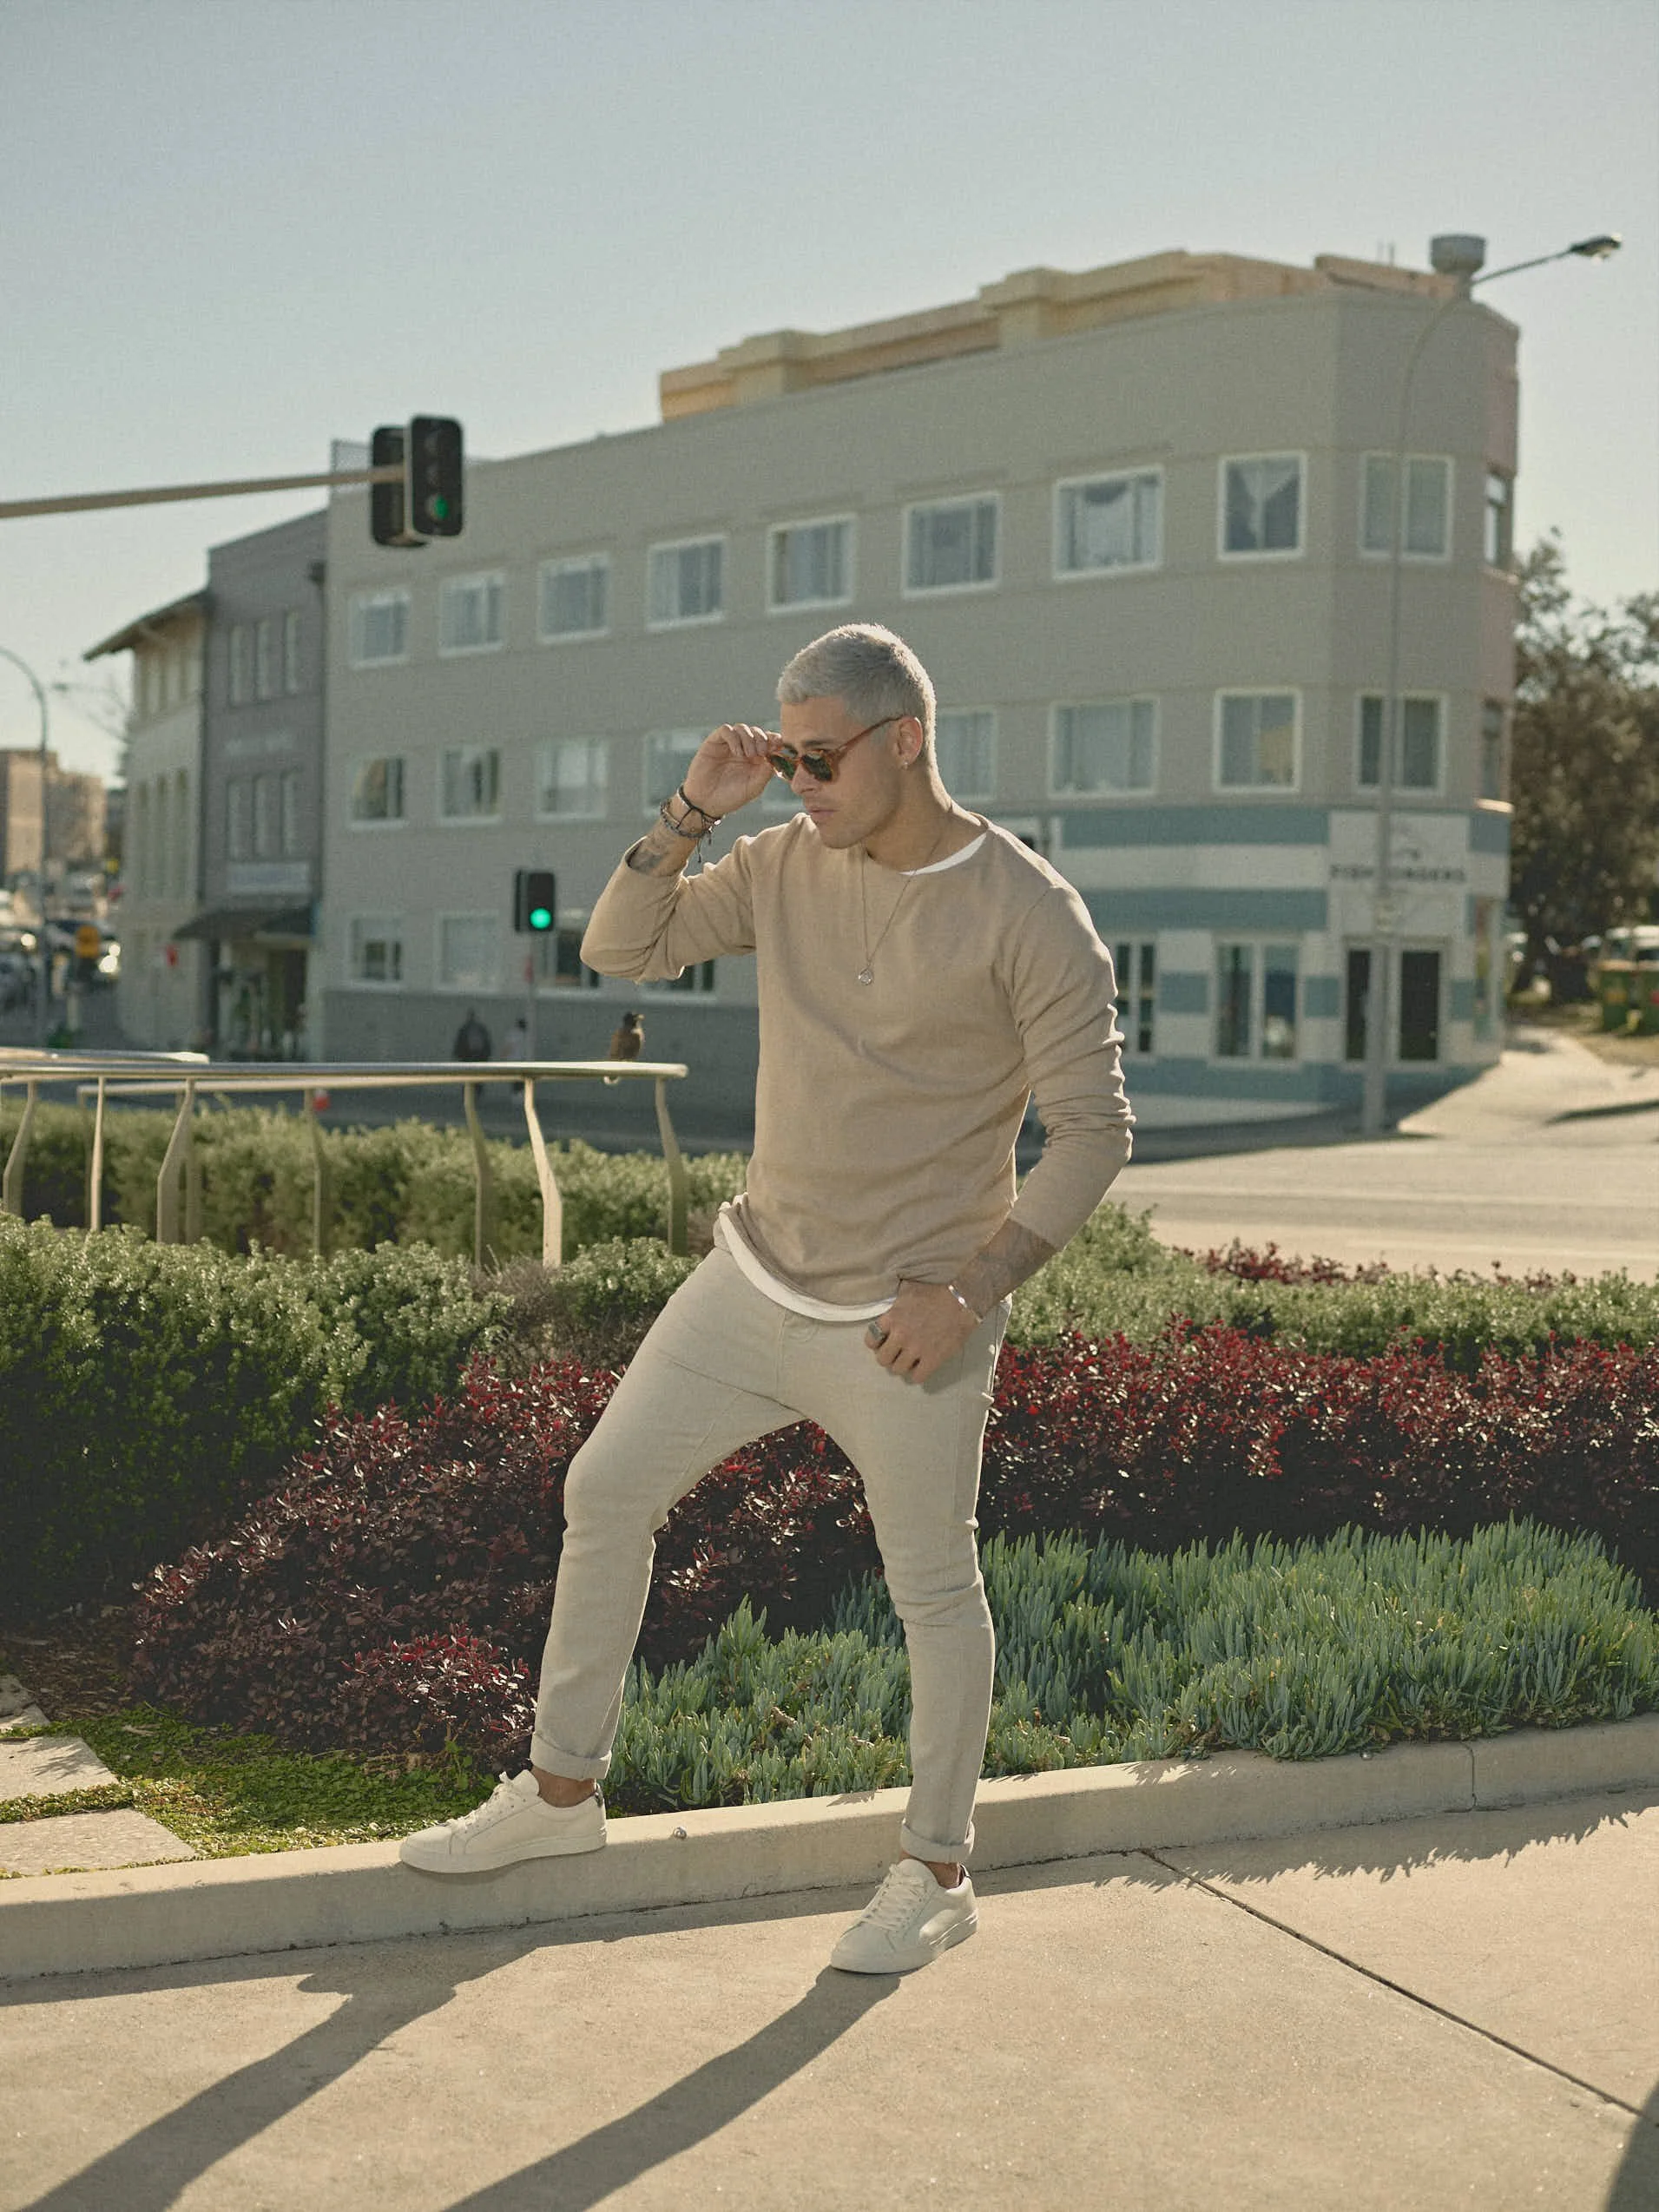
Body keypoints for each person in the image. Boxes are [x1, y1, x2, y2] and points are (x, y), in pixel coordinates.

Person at [402, 623, 1134, 1973]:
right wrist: (691, 811)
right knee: (603, 1491)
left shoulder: (1028, 911)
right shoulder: (784, 859)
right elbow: (621, 953)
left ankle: (936, 1869)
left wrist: (970, 1293)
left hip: (906, 1323)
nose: (798, 780)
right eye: (783, 756)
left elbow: (1092, 1132)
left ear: (904, 740)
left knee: (930, 1587)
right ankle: (562, 1795)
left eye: (817, 757)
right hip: (749, 1280)